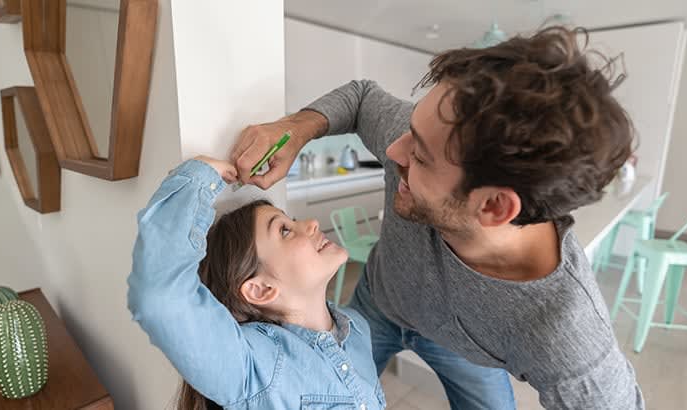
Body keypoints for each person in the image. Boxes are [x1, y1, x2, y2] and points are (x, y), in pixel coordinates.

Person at [231, 26, 644, 409]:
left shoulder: (564, 334)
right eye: (410, 133)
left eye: (421, 157)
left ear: (495, 207)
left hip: (462, 350)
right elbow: (360, 98)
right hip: (378, 303)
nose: (394, 154)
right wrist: (294, 128)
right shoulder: (416, 142)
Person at [127, 156, 387, 410]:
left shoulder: (358, 330)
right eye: (284, 230)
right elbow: (159, 298)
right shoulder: (257, 366)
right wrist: (199, 176)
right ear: (260, 289)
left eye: (292, 222)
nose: (312, 223)